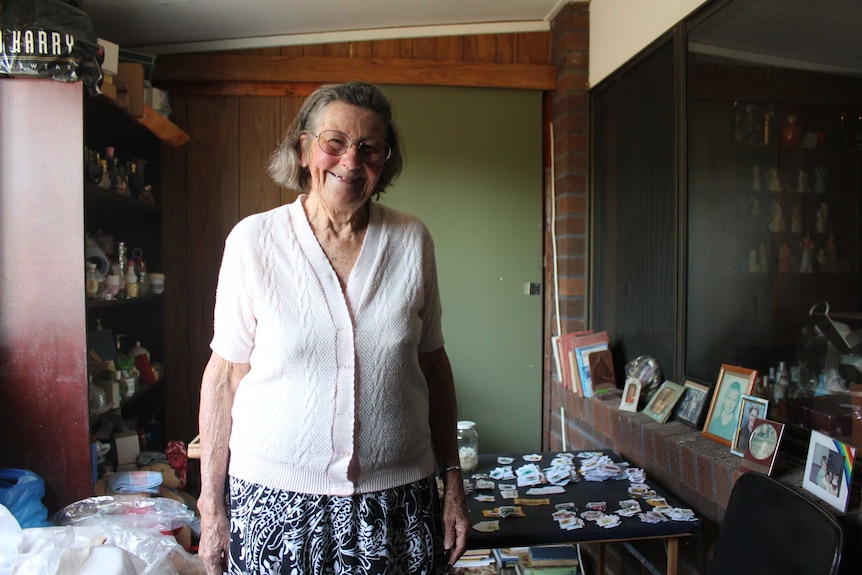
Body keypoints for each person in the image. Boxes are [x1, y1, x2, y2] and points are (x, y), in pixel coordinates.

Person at [197, 81, 469, 575]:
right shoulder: (254, 241)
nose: (351, 160)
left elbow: (434, 365)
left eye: (370, 148)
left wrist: (452, 481)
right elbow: (222, 378)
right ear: (304, 149)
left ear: (384, 163)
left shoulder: (411, 240)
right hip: (273, 504)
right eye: (334, 142)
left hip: (397, 504)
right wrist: (211, 507)